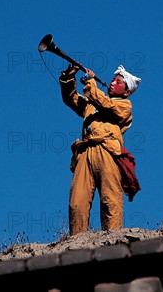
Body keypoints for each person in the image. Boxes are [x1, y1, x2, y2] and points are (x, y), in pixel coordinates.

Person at [59, 63, 141, 235]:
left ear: (126, 92)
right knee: (77, 201)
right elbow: (71, 98)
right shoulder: (92, 103)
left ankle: (112, 239)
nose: (112, 83)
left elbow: (106, 104)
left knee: (110, 199)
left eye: (118, 82)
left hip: (108, 152)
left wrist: (90, 83)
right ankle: (77, 241)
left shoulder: (125, 106)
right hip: (86, 152)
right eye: (113, 80)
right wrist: (69, 77)